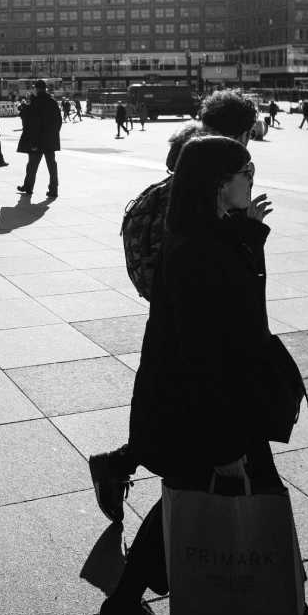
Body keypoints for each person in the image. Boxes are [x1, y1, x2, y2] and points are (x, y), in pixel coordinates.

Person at [96, 134, 308, 615]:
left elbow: (238, 317)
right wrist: (225, 443)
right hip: (211, 412)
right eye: (246, 170)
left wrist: (250, 234)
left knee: (184, 501)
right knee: (252, 501)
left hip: (207, 409)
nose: (253, 177)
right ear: (220, 186)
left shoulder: (210, 236)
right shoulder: (200, 253)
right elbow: (206, 356)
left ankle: (127, 610)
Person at [90, 90, 258, 516]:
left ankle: (121, 466)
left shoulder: (192, 149)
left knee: (171, 420)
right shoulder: (211, 166)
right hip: (189, 308)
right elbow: (212, 265)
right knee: (189, 448)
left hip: (174, 305)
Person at [16, 79, 62, 199]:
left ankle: (28, 187)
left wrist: (23, 108)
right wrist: (53, 135)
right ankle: (53, 190)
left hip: (37, 140)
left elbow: (30, 121)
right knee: (52, 165)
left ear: (36, 89)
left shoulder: (35, 102)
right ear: (45, 89)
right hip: (50, 140)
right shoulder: (52, 102)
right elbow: (58, 121)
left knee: (32, 165)